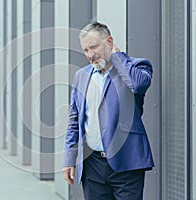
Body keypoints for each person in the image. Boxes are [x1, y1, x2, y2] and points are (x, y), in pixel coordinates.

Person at [63, 21, 154, 200]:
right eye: (86, 50)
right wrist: (69, 159)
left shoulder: (136, 66)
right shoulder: (81, 76)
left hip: (126, 163)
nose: (90, 54)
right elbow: (74, 120)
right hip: (92, 166)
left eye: (94, 47)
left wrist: (117, 57)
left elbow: (137, 85)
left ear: (109, 42)